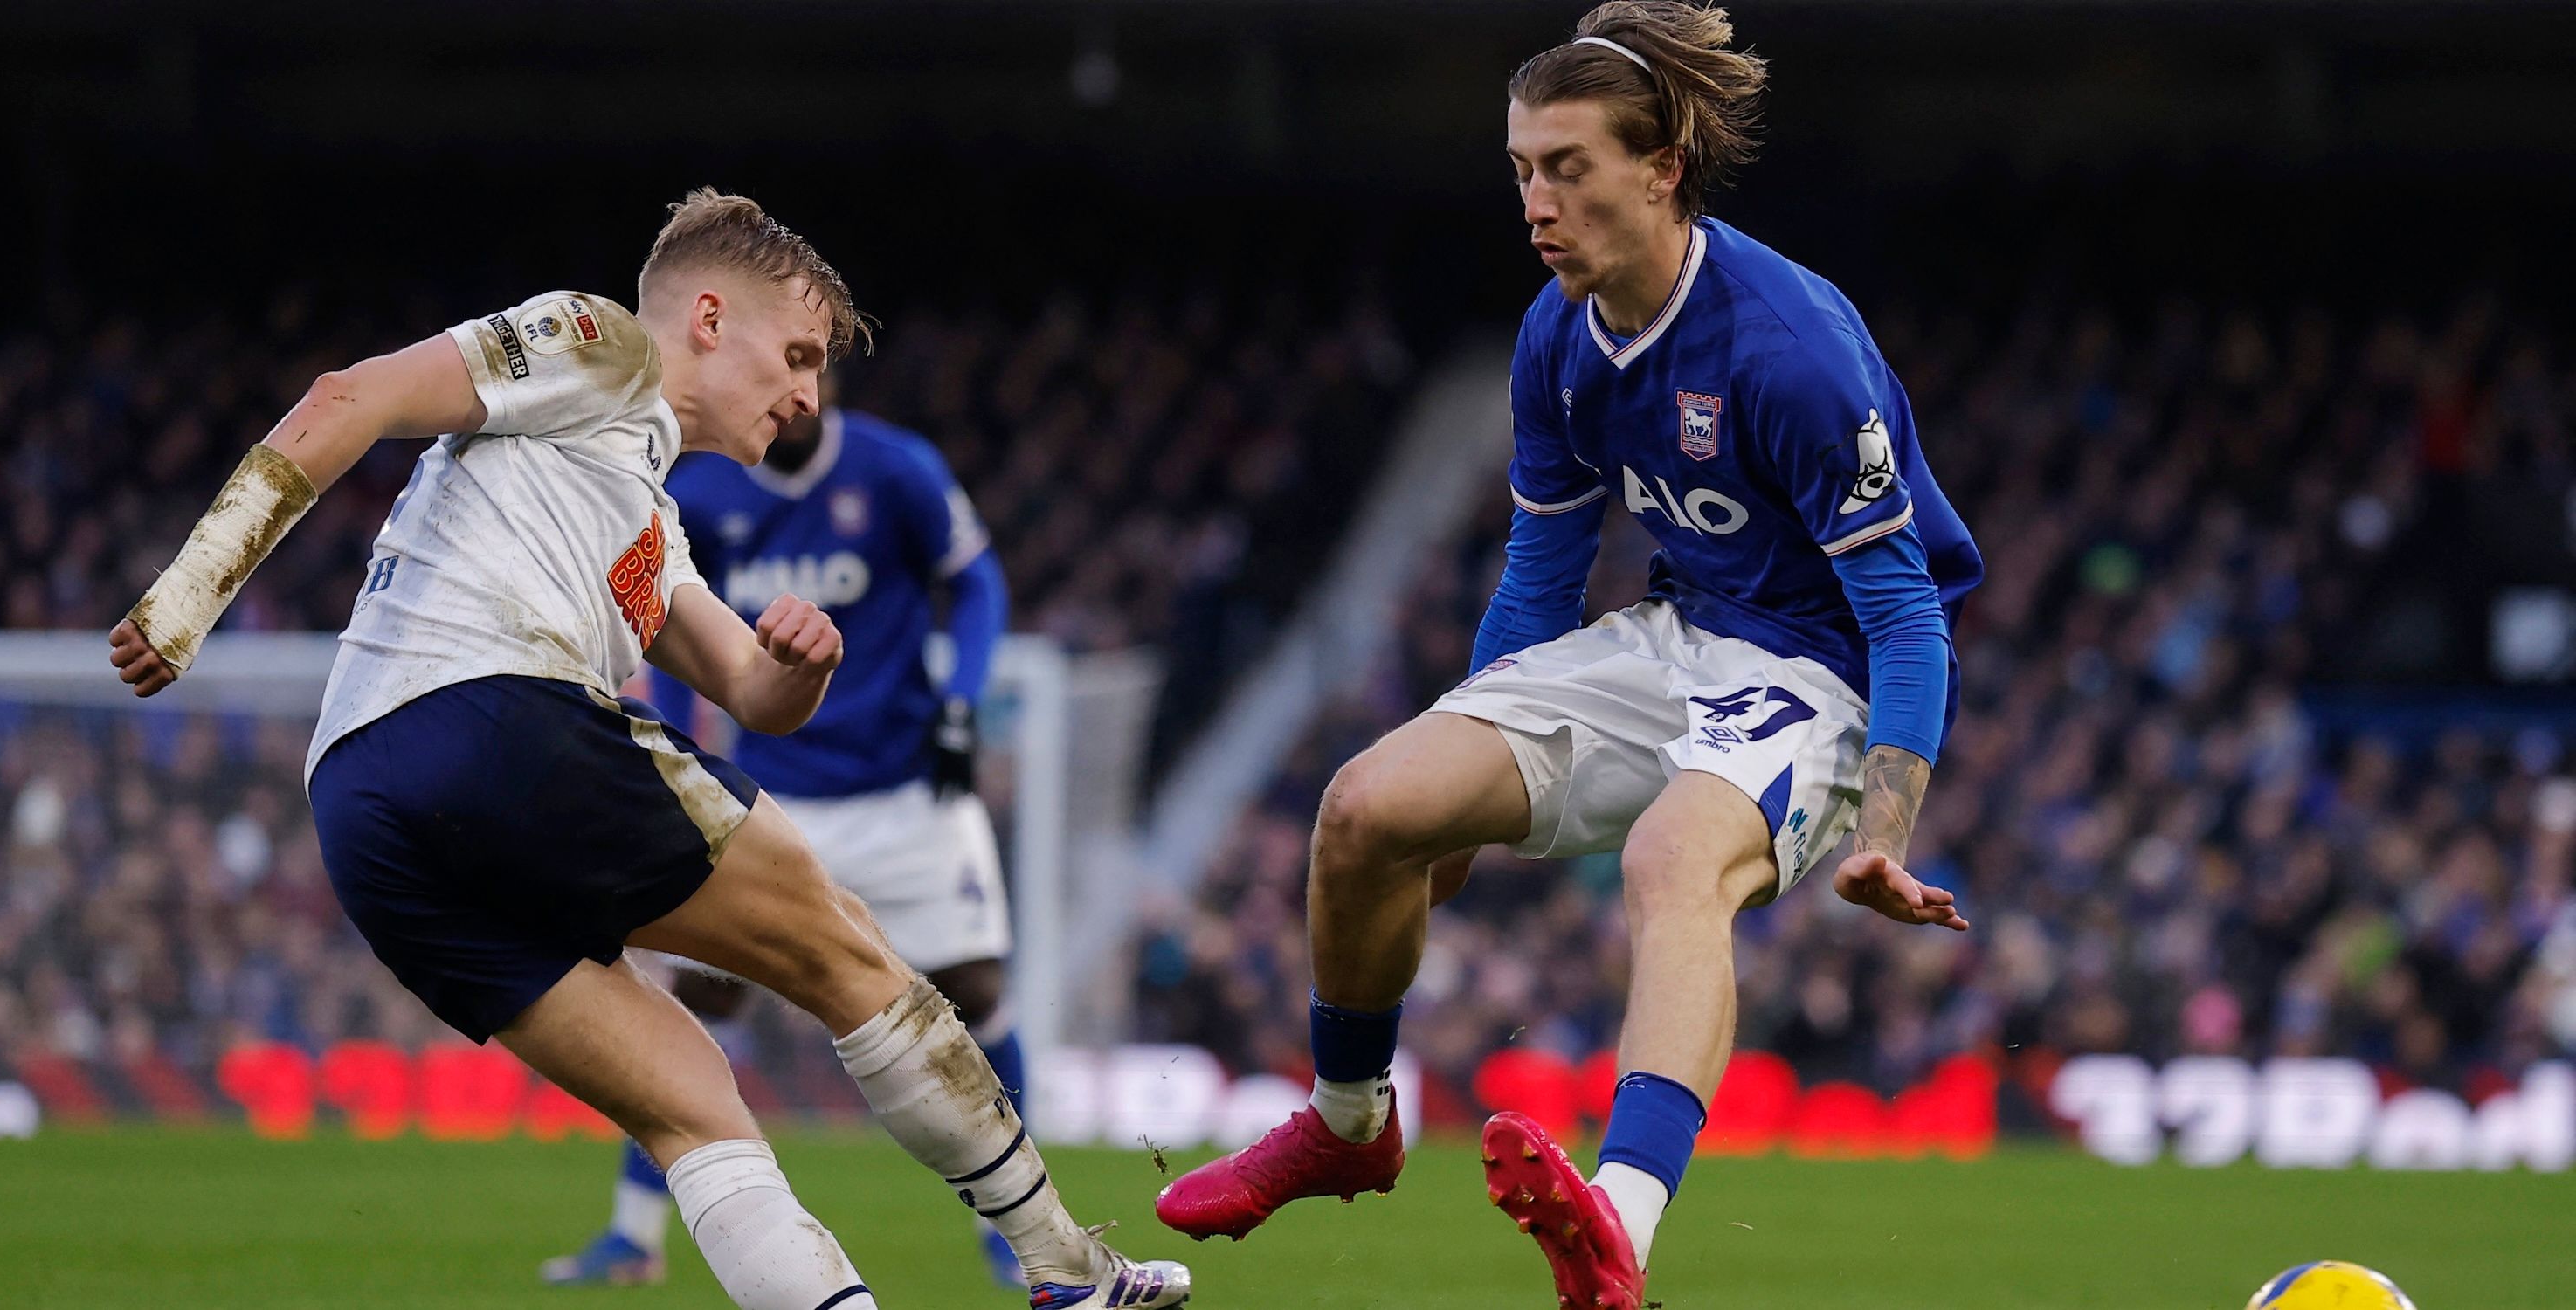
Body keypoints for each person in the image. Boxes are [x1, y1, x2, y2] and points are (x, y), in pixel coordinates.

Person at [109, 189, 1190, 1310]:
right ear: (709, 320)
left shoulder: (642, 515)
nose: (808, 394)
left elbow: (752, 691)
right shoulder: (599, 341)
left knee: (691, 1103)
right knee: (848, 953)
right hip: (485, 710)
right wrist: (189, 595)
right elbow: (353, 394)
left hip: (364, 814)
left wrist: (803, 664)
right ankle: (1065, 1267)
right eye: (799, 354)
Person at [1152, 5, 1981, 1307]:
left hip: (1819, 669)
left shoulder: (1789, 351)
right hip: (1674, 634)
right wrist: (1461, 792)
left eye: (1568, 168)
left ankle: (1619, 1231)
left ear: (1661, 171)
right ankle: (1349, 1123)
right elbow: (1540, 577)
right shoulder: (1558, 336)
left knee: (1671, 860)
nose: (1537, 202)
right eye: (1522, 170)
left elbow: (1907, 613)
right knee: (1368, 808)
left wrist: (1885, 828)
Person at [542, 391, 1027, 1289]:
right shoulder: (703, 495)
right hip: (779, 801)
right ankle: (634, 1235)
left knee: (977, 993)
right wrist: (680, 732)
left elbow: (977, 583)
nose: (796, 389)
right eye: (785, 362)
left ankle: (1011, 1234)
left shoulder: (897, 469)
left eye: (814, 363)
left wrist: (962, 701)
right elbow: (665, 622)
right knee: (702, 997)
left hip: (910, 789)